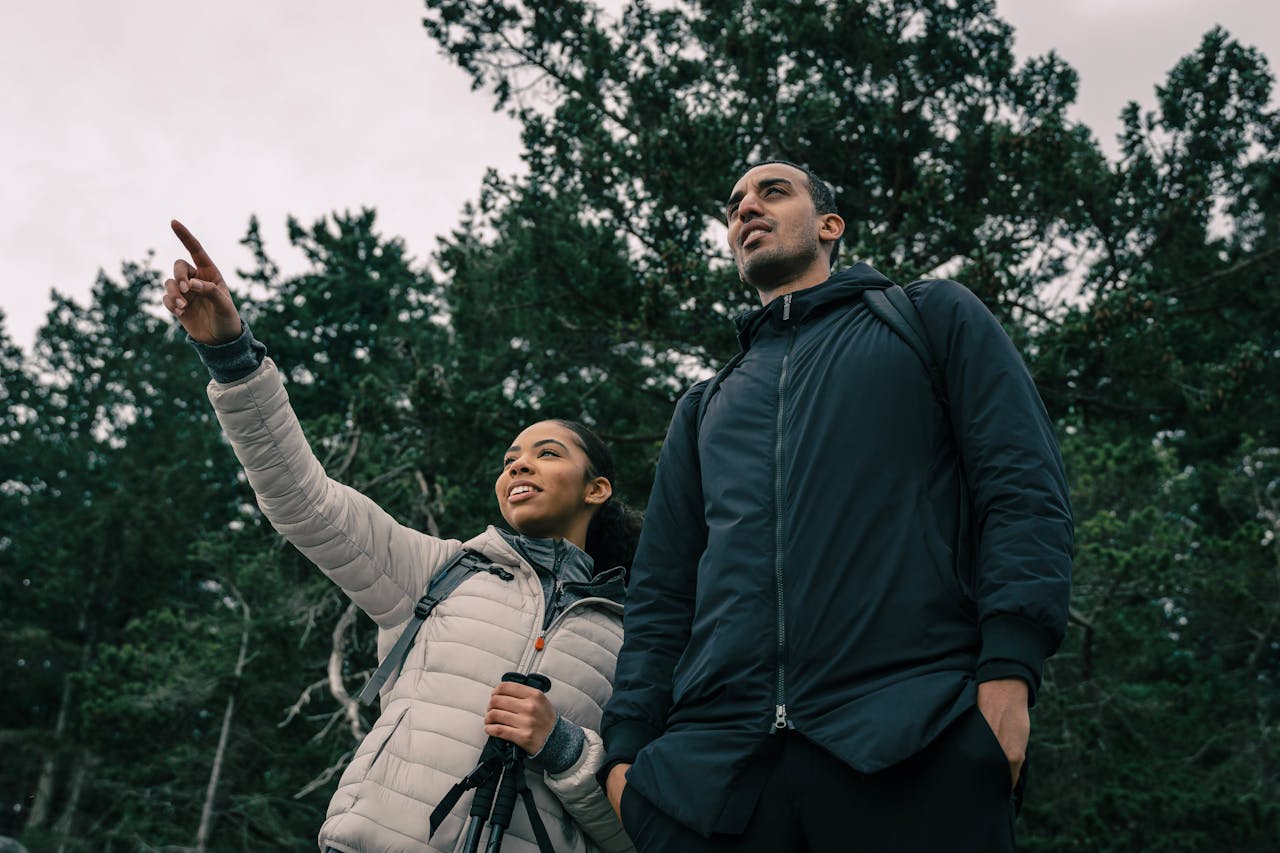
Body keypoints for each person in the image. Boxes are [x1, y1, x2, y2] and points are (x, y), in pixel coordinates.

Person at [599, 161, 1074, 852]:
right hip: (720, 780)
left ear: (830, 225)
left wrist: (1009, 673)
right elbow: (661, 594)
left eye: (773, 191)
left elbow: (1022, 487)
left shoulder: (927, 319)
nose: (747, 207)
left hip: (915, 742)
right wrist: (626, 756)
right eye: (734, 203)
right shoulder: (704, 406)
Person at [163, 220, 638, 853]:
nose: (517, 465)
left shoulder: (638, 636)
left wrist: (566, 750)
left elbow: (642, 834)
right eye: (509, 457)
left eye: (546, 453)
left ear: (597, 488)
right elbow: (303, 500)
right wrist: (230, 356)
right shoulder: (442, 572)